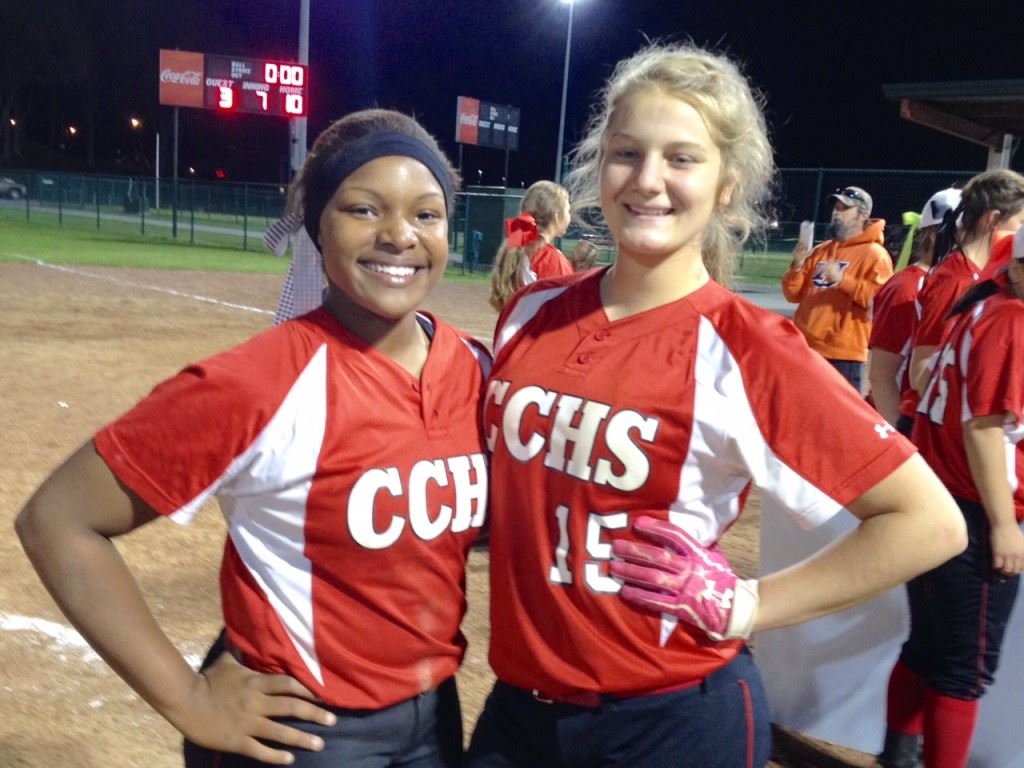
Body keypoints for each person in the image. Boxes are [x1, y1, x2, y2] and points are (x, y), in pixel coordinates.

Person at [467, 42, 966, 768]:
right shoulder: (531, 311)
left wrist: (750, 606)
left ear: (727, 184)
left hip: (669, 719)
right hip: (520, 713)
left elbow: (930, 523)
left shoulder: (748, 347)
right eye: (626, 153)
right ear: (597, 165)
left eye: (682, 158)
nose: (648, 181)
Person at [15, 108, 490, 768]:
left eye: (427, 214)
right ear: (318, 225)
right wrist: (188, 698)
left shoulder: (479, 368)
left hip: (435, 724)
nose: (399, 235)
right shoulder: (257, 382)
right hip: (304, 735)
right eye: (363, 209)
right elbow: (57, 520)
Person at [878, 229, 1024, 768]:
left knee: (930, 650)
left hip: (942, 498)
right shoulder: (1011, 319)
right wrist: (1004, 524)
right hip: (975, 510)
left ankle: (896, 757)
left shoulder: (983, 308)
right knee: (964, 670)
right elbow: (984, 428)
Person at [909, 169, 1024, 395]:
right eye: (1021, 222)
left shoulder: (979, 275)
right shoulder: (956, 280)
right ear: (992, 220)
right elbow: (920, 372)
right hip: (942, 425)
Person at [781, 184, 893, 393]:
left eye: (844, 209)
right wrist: (796, 266)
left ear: (863, 215)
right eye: (836, 208)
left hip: (844, 355)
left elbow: (880, 303)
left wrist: (843, 280)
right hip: (806, 348)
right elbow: (792, 294)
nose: (836, 213)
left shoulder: (875, 255)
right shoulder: (820, 251)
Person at [868, 188, 961, 432]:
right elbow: (881, 376)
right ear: (933, 234)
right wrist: (904, 439)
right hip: (901, 426)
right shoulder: (906, 287)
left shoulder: (952, 282)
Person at [488, 180, 572, 311]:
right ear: (557, 216)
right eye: (568, 210)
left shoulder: (517, 246)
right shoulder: (550, 259)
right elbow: (564, 312)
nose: (569, 216)